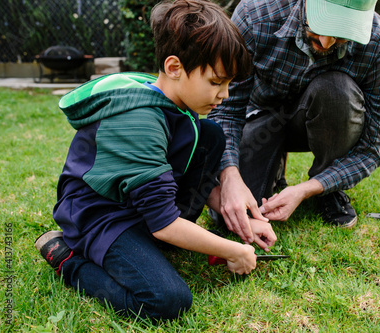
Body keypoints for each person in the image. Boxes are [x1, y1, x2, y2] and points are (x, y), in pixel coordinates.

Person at [34, 0, 276, 321]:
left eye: (228, 84)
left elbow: (193, 174)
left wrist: (238, 221)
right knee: (166, 300)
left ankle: (167, 236)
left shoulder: (178, 101)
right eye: (216, 83)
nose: (225, 95)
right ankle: (67, 258)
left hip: (136, 205)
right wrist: (233, 250)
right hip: (100, 215)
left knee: (210, 135)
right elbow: (163, 224)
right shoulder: (139, 121)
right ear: (174, 67)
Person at [208, 0, 380, 242]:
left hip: (328, 117)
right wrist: (230, 177)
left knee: (336, 91)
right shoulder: (255, 15)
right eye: (322, 23)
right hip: (262, 118)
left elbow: (371, 149)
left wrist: (308, 189)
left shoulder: (379, 43)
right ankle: (273, 167)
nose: (326, 42)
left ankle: (328, 187)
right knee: (231, 215)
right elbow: (226, 111)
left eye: (342, 33)